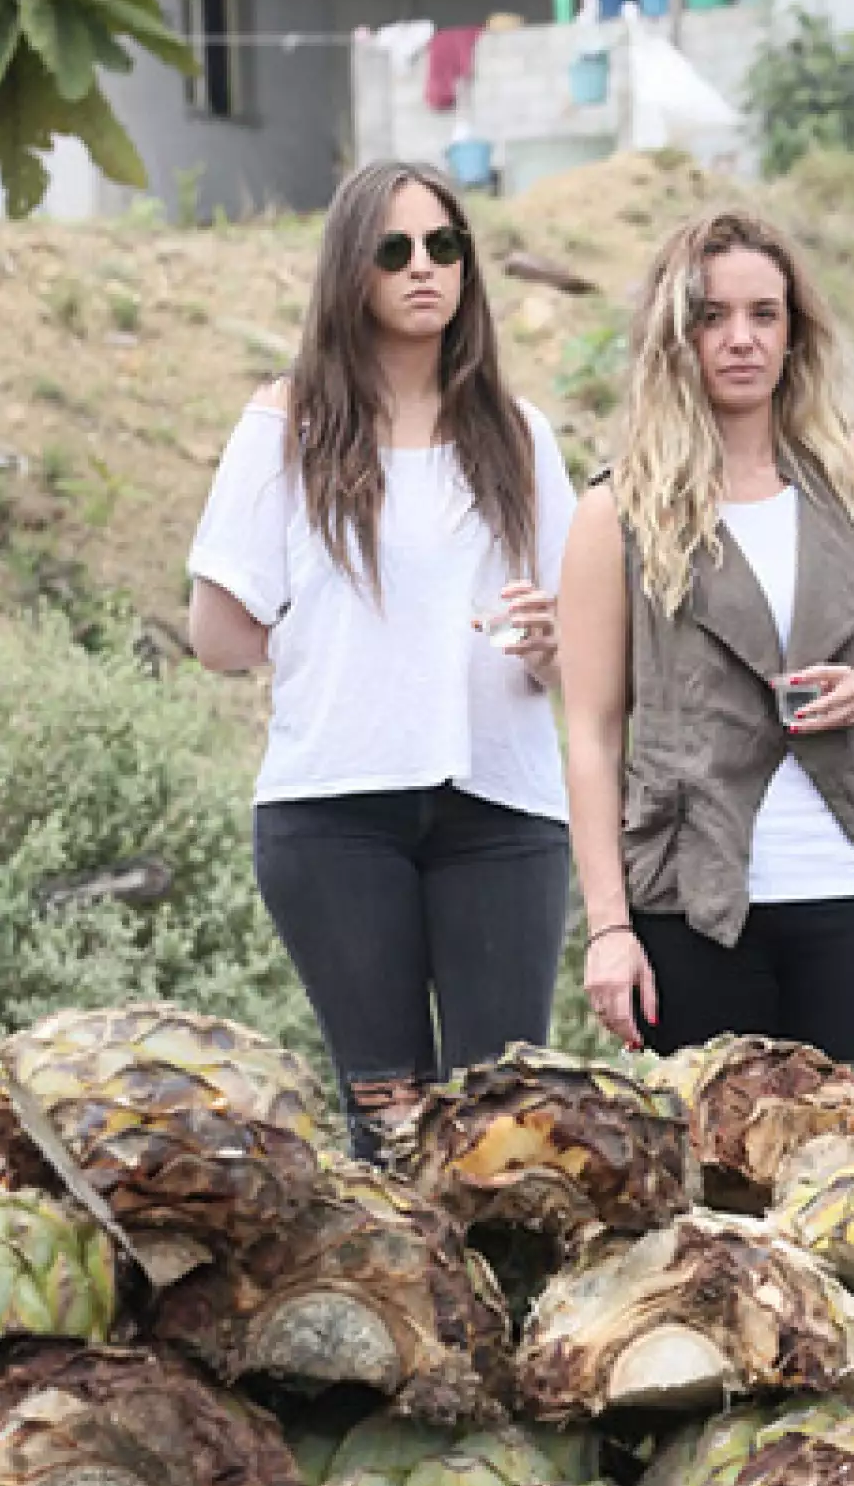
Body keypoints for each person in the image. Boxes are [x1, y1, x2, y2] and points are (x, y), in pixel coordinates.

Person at [187, 158, 577, 1153]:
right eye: (393, 249)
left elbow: (582, 649)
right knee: (394, 1134)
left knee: (503, 1135)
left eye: (444, 246)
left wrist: (550, 644)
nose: (423, 268)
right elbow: (218, 633)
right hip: (333, 816)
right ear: (349, 270)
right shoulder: (289, 423)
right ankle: (410, 1310)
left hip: (502, 808)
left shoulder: (519, 436)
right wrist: (342, 645)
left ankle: (502, 1312)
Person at [557, 207, 854, 1074]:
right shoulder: (619, 511)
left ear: (795, 332)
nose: (740, 339)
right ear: (677, 336)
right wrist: (609, 929)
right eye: (712, 316)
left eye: (764, 314)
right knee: (723, 1194)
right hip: (694, 906)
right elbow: (593, 735)